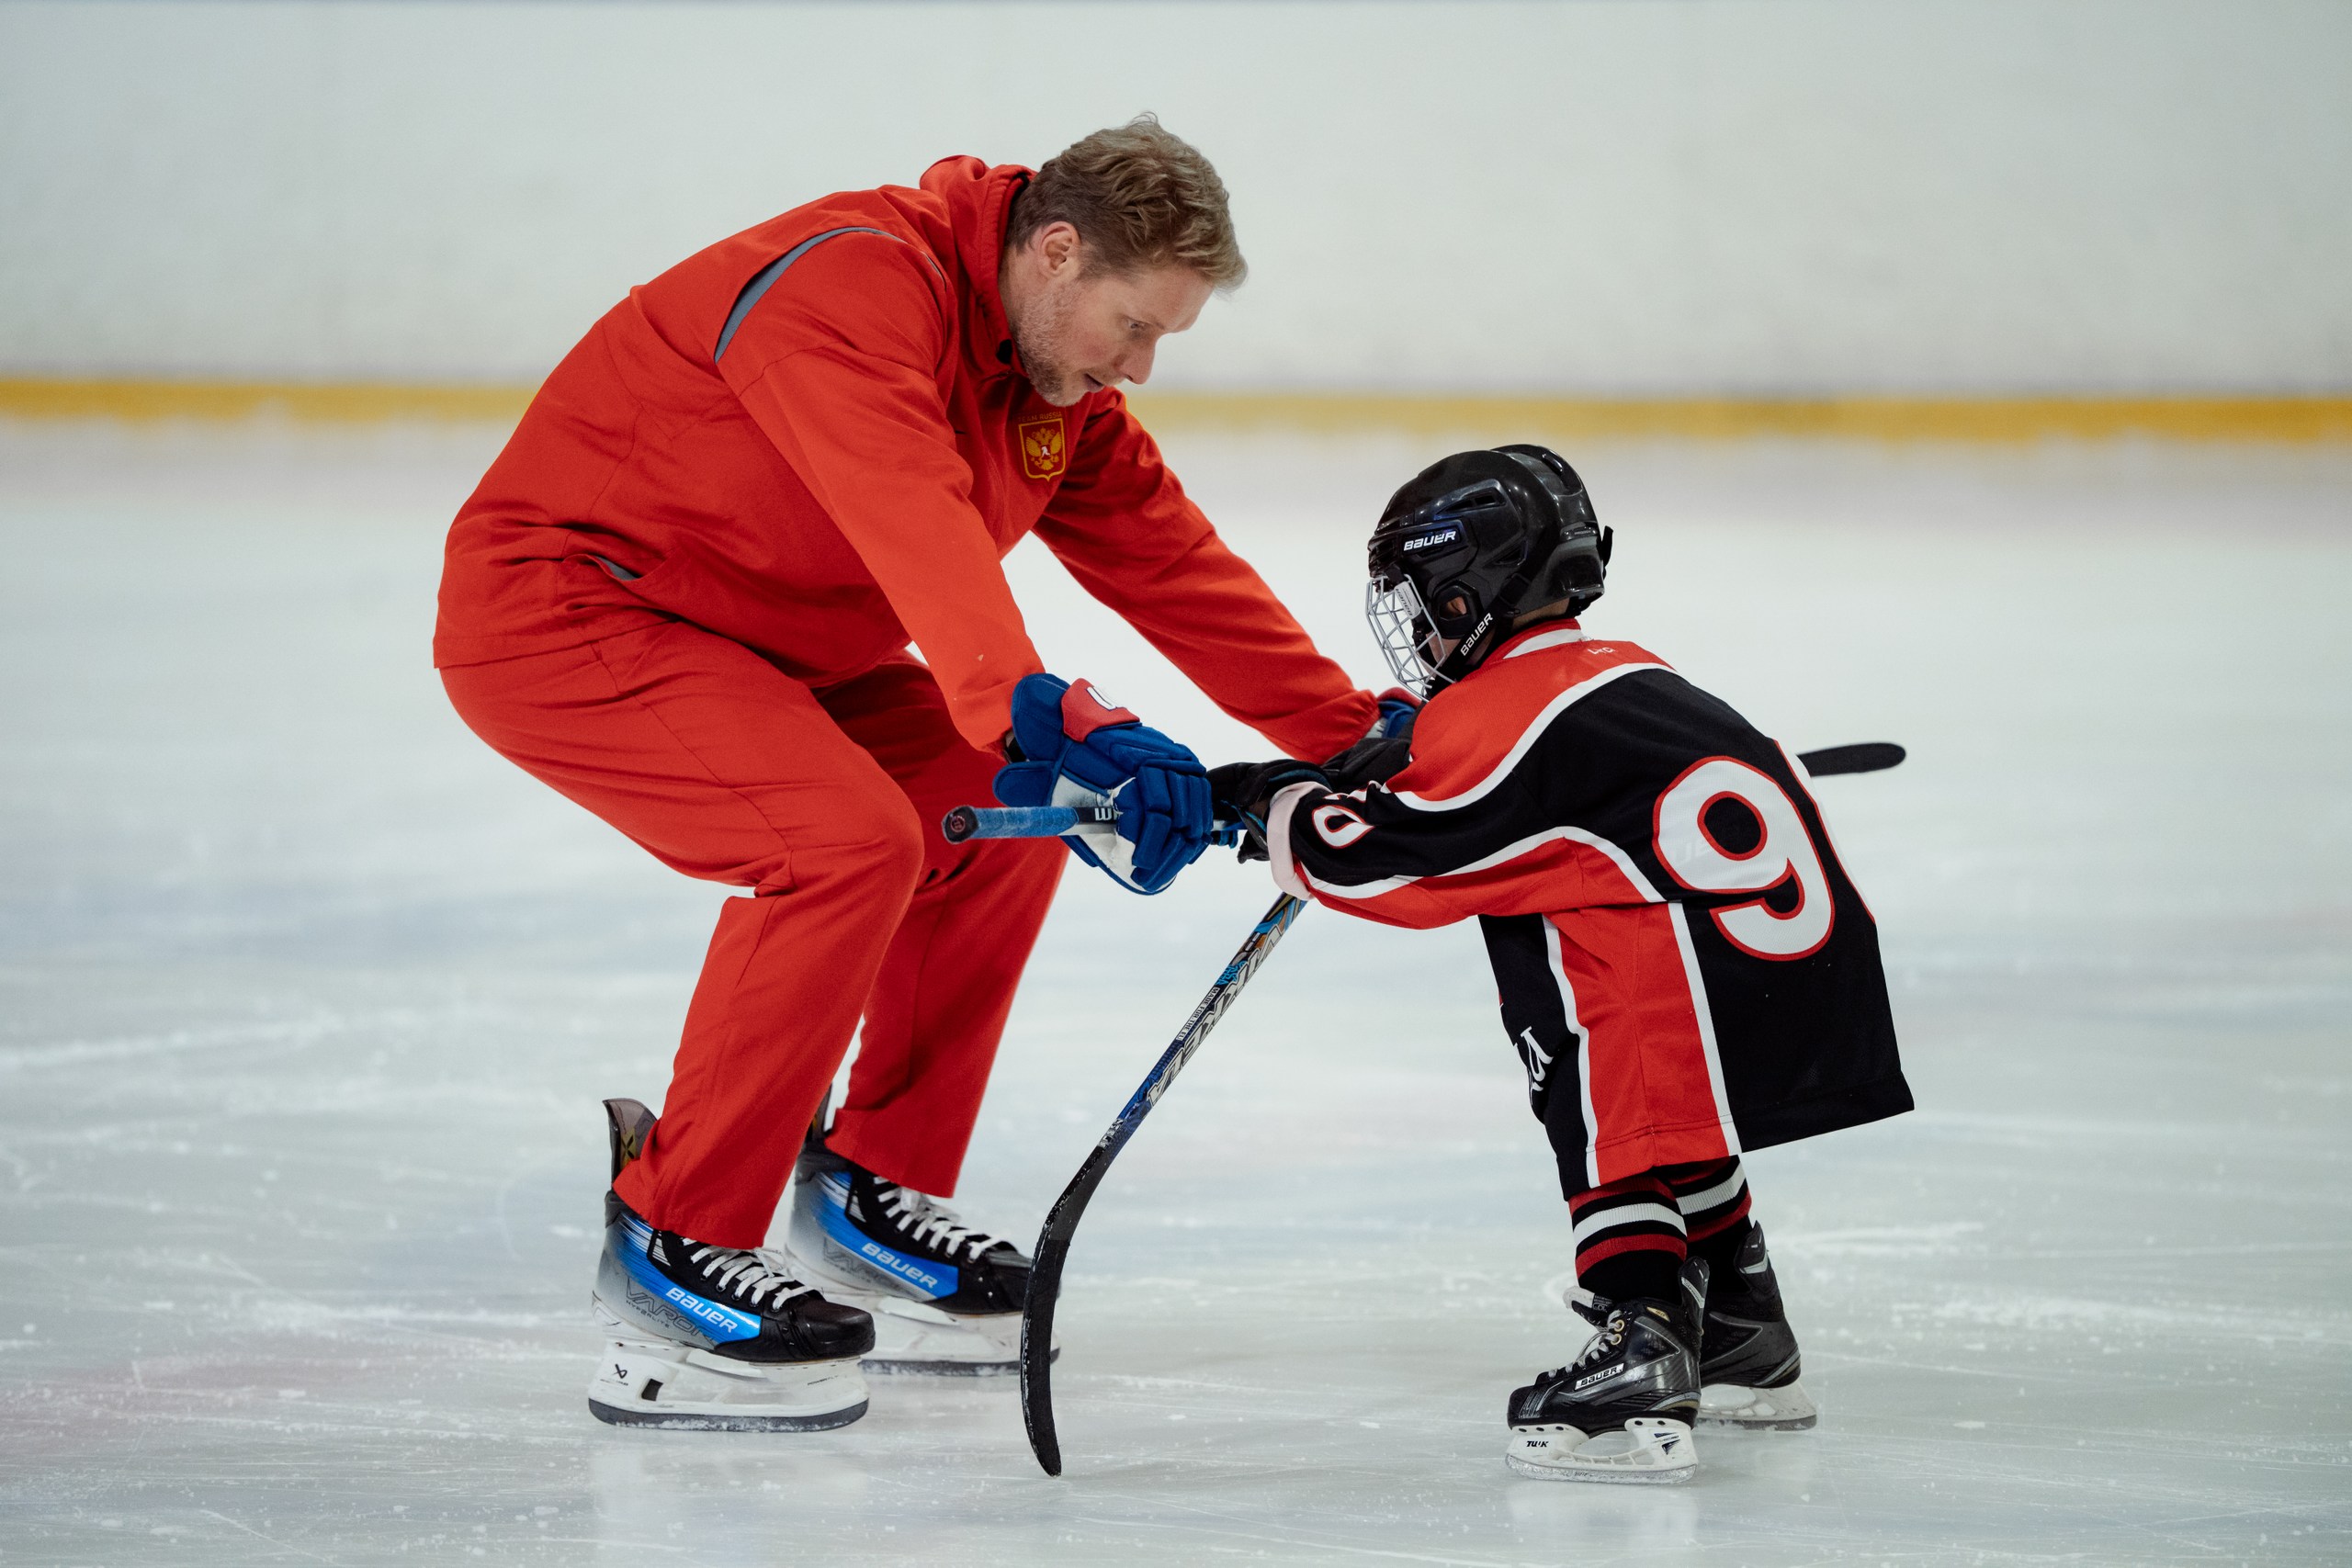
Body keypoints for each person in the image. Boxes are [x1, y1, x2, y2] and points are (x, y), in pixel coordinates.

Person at [433, 118, 1394, 1430]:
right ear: (1056, 252)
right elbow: (907, 506)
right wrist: (1041, 708)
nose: (1139, 367)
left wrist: (1357, 736)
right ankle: (671, 1241)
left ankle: (867, 1196)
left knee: (1004, 807)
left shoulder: (1050, 385)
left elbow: (1174, 563)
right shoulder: (848, 283)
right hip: (573, 609)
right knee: (842, 841)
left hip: (768, 645)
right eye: (1133, 327)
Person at [1208, 446, 1910, 1483]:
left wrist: (1269, 799)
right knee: (1592, 948)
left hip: (1698, 981)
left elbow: (1386, 867)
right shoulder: (1618, 671)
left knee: (1569, 1000)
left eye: (1427, 599)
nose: (1420, 626)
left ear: (1468, 591)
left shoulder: (1502, 715)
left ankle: (1644, 1334)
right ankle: (1738, 1317)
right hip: (1793, 971)